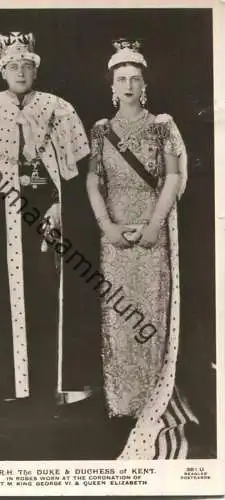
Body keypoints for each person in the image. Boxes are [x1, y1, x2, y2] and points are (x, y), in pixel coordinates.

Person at [0, 32, 94, 444]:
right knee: (3, 295)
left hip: (47, 212)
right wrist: (12, 178)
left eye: (28, 66)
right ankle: (12, 389)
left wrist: (59, 204)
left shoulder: (56, 108)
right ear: (2, 71)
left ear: (36, 69)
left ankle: (51, 387)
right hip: (1, 214)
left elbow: (68, 170)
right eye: (14, 66)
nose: (22, 73)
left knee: (50, 291)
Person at [86, 38, 199, 459]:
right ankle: (120, 402)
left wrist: (153, 226)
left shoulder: (162, 125)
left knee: (148, 313)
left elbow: (172, 178)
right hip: (114, 237)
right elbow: (93, 181)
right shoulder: (100, 130)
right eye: (121, 79)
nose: (128, 85)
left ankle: (149, 400)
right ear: (112, 85)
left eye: (135, 78)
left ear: (143, 84)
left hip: (153, 235)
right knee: (118, 314)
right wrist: (107, 227)